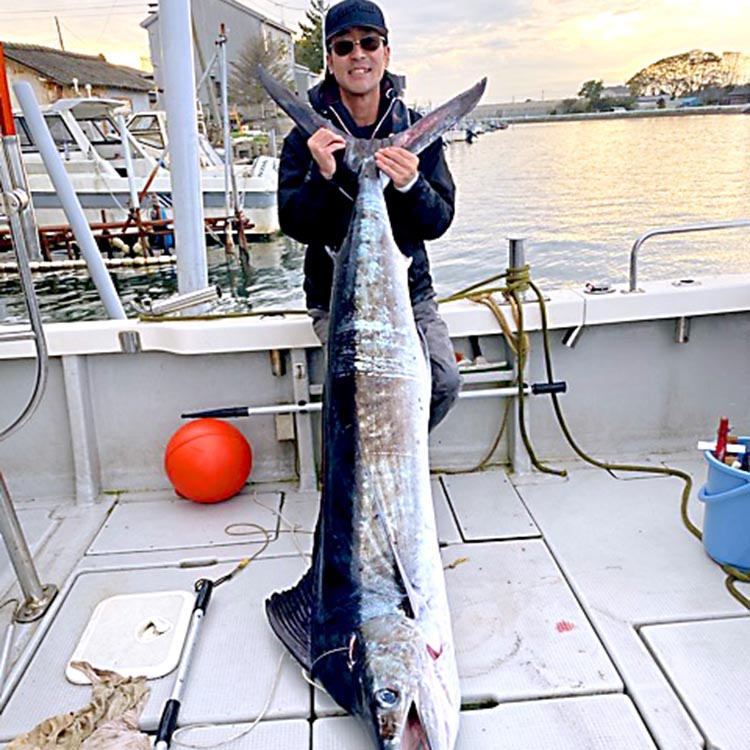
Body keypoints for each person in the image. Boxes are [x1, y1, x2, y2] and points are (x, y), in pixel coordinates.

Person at [277, 0, 460, 431]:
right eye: (344, 47)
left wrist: (411, 185)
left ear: (386, 53)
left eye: (369, 43)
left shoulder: (417, 133)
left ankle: (401, 453)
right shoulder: (305, 140)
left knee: (444, 381)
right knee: (354, 408)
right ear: (330, 60)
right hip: (337, 301)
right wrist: (322, 176)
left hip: (410, 296)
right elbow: (294, 224)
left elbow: (439, 222)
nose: (357, 54)